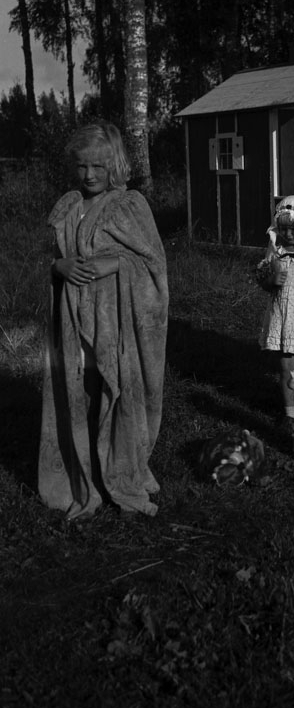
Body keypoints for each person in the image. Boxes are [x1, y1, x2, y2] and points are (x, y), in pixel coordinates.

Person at [39, 123, 169, 519]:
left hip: (117, 322)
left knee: (119, 393)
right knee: (81, 392)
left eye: (98, 166)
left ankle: (123, 474)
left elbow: (154, 264)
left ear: (115, 164)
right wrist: (59, 266)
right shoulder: (69, 206)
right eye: (82, 166)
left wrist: (115, 263)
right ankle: (86, 473)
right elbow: (52, 257)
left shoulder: (129, 205)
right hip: (74, 319)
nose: (90, 174)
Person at [256, 195, 294, 432]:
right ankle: (289, 414)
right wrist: (271, 280)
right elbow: (262, 281)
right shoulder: (275, 251)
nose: (289, 234)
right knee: (286, 368)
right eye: (283, 229)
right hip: (282, 317)